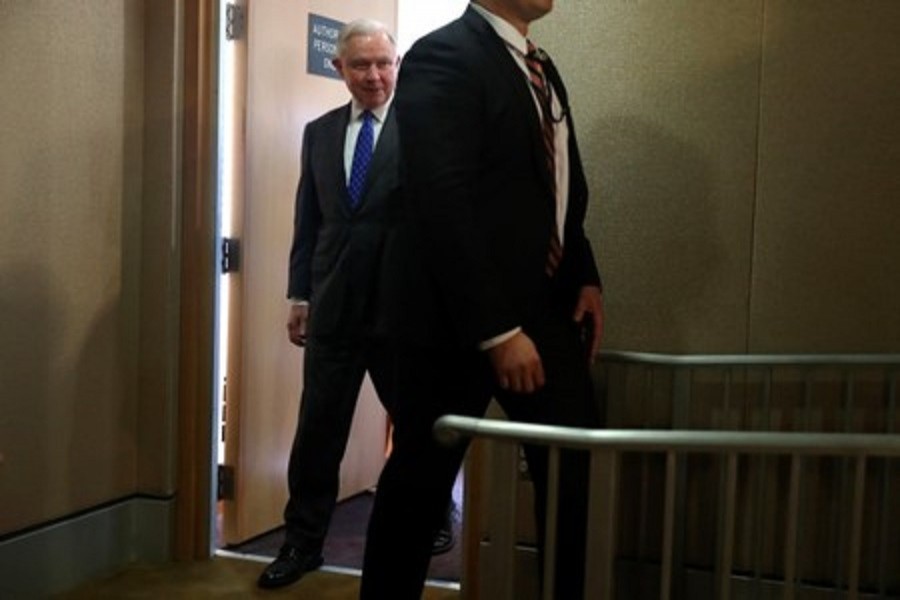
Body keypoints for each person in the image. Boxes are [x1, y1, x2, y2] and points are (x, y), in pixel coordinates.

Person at [361, 1, 605, 598]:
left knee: (570, 479)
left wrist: (585, 274)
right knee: (417, 493)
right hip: (453, 323)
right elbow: (441, 200)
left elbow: (555, 185)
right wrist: (497, 332)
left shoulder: (538, 65)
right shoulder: (444, 55)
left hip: (545, 308)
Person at [257, 19, 454, 590]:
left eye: (384, 64)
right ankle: (302, 543)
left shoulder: (422, 130)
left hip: (403, 312)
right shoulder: (318, 133)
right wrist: (300, 295)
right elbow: (309, 221)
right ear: (339, 69)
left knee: (421, 428)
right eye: (362, 65)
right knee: (317, 432)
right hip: (334, 312)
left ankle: (436, 516)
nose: (374, 75)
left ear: (398, 66)